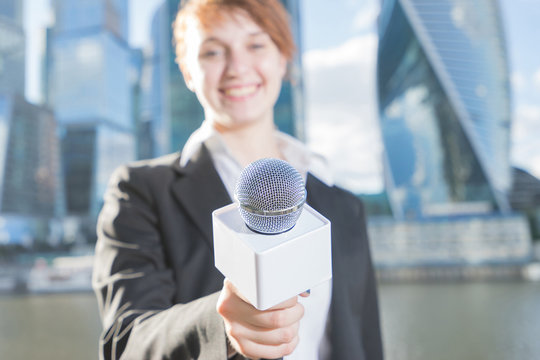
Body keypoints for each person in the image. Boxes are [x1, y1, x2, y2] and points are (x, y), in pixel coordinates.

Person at [92, 0, 384, 359]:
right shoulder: (140, 192)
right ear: (187, 70)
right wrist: (221, 327)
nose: (237, 67)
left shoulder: (343, 205)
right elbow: (125, 342)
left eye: (256, 45)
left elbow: (366, 342)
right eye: (213, 52)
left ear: (283, 58)